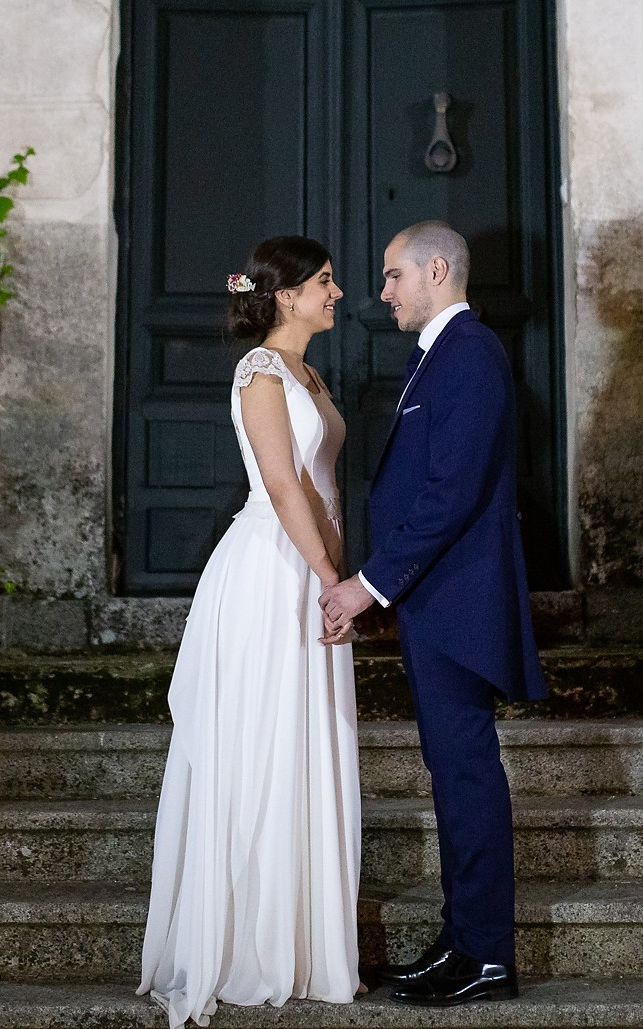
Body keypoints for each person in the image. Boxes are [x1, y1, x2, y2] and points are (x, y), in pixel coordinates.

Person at [319, 219, 548, 1007]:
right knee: (451, 775)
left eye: (392, 276)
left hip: (456, 601)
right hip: (435, 601)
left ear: (437, 269)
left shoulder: (471, 355)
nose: (381, 292)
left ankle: (485, 954)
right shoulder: (441, 358)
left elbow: (451, 492)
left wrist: (367, 584)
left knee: (465, 773)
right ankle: (462, 943)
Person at [138, 235, 362, 1029]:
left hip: (313, 562)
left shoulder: (312, 373)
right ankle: (249, 941)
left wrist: (341, 570)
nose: (339, 293)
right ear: (288, 295)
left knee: (306, 745)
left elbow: (326, 480)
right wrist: (331, 578)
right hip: (271, 572)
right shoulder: (261, 371)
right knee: (264, 747)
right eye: (326, 283)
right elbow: (279, 480)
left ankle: (304, 939)